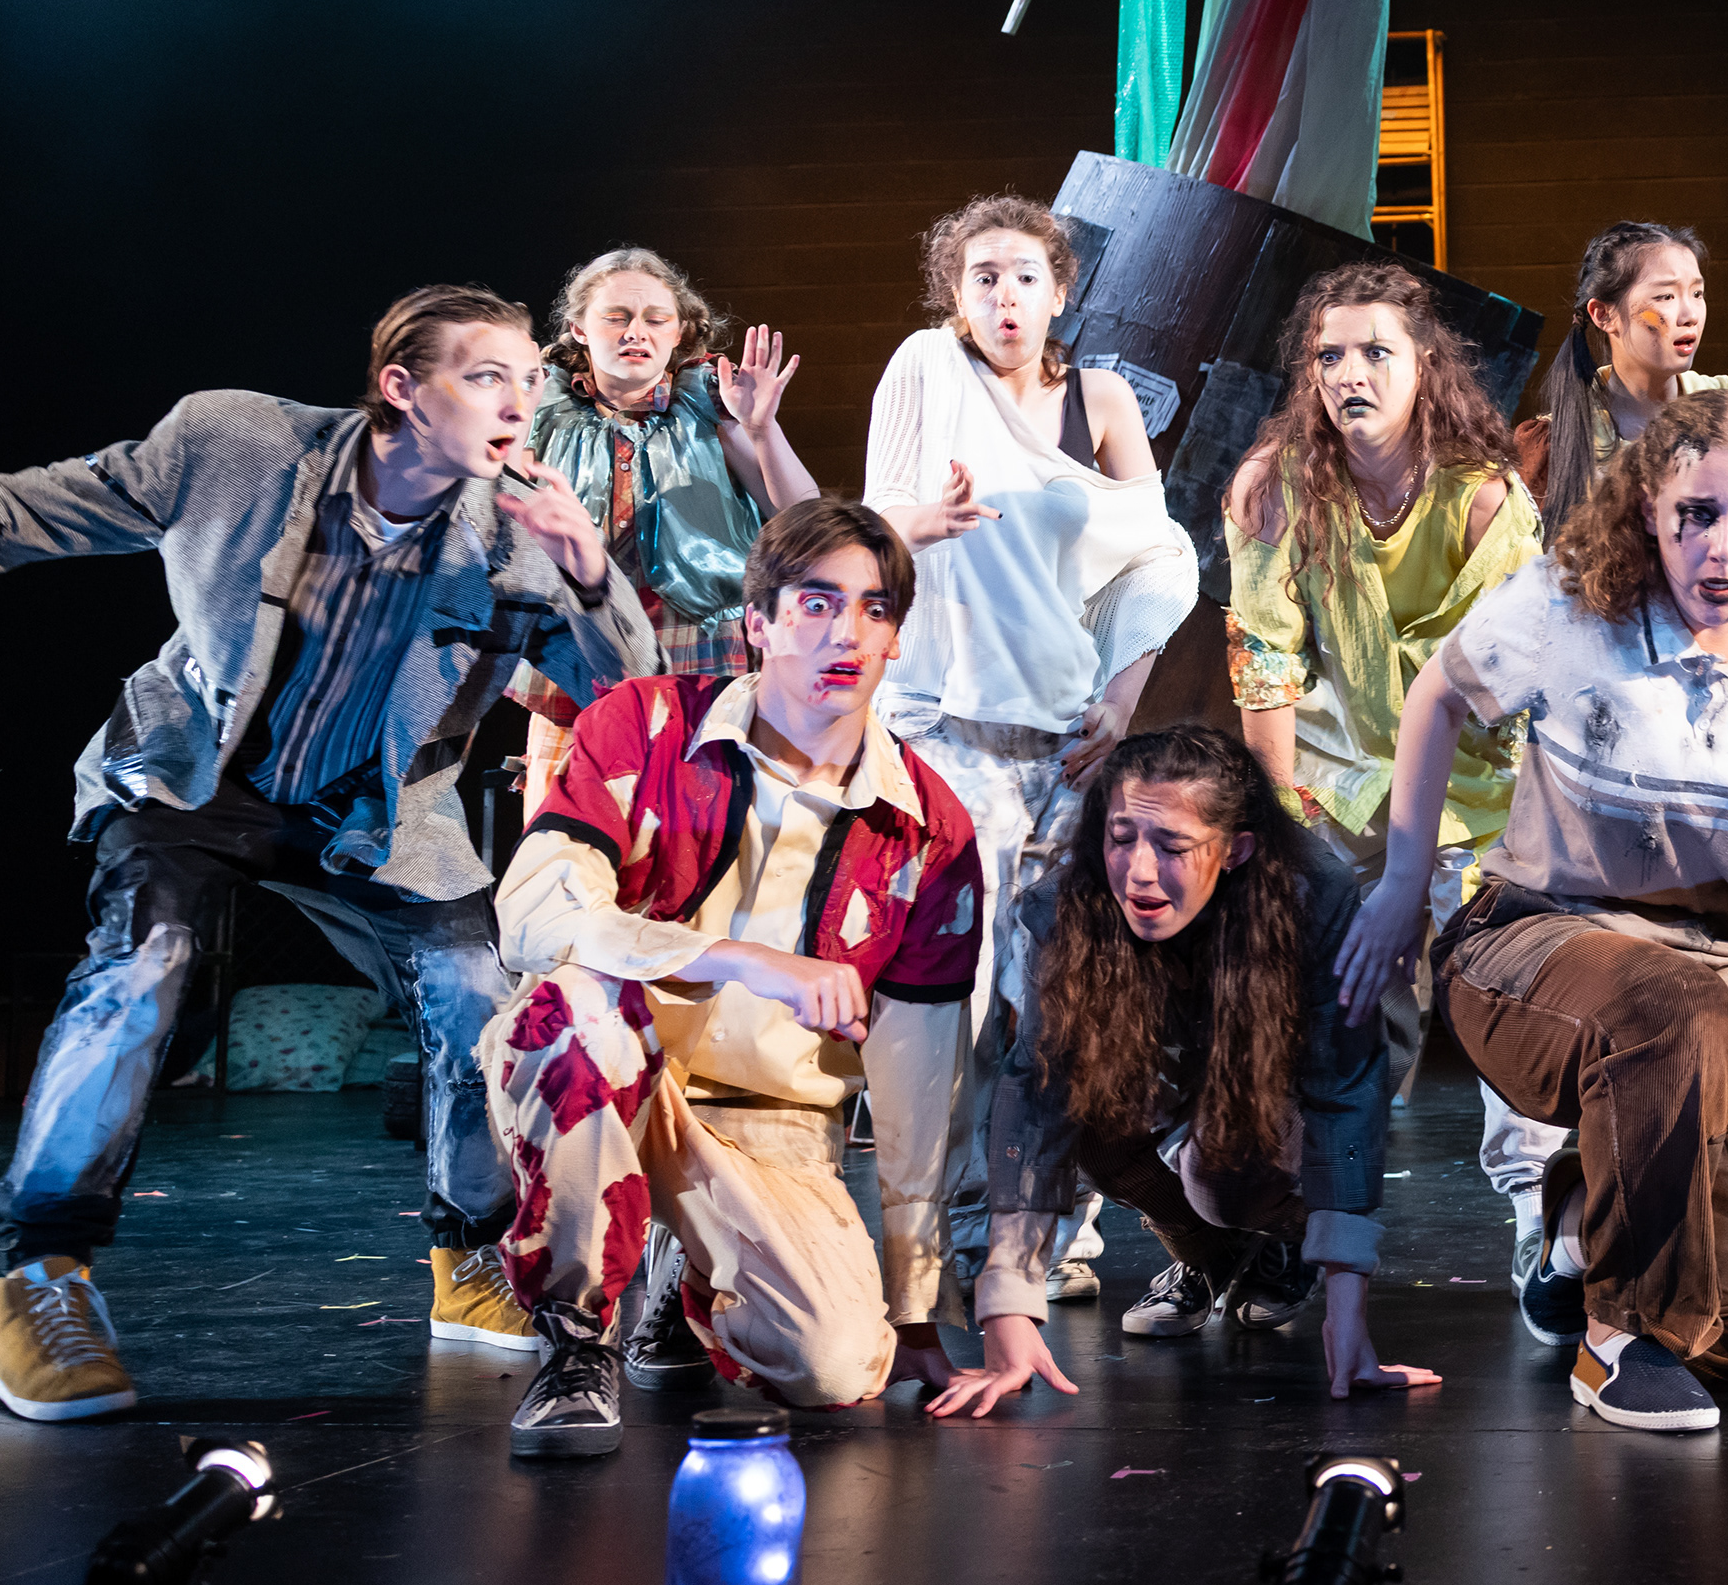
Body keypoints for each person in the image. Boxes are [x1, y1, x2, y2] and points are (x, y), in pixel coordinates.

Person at [0, 287, 656, 1422]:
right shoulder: (234, 443)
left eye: (528, 378)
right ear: (402, 388)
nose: (520, 402)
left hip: (379, 814)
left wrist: (587, 570)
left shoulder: (519, 537)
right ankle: (43, 1274)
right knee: (142, 966)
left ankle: (470, 1255)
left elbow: (629, 694)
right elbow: (24, 509)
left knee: (474, 990)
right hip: (194, 775)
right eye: (487, 376)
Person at [1347, 384, 1728, 1434]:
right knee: (1665, 1004)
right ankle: (1618, 1339)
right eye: (1697, 514)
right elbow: (1439, 694)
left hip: (1718, 996)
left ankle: (1577, 1213)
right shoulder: (1571, 603)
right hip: (1534, 944)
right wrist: (1403, 884)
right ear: (1650, 507)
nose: (1723, 548)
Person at [484, 499, 986, 1453]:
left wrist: (916, 1305)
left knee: (837, 1367)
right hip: (618, 1073)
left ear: (895, 638)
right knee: (572, 1011)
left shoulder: (930, 827)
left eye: (875, 609)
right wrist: (740, 960)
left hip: (777, 1124)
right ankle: (578, 1337)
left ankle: (691, 1274)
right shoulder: (643, 724)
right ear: (757, 622)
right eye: (816, 603)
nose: (847, 633)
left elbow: (924, 1084)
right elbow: (535, 915)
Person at [864, 194, 1198, 1333]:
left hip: (1062, 739)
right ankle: (959, 1225)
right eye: (981, 276)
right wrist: (922, 520)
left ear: (1061, 289)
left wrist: (1124, 692)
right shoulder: (925, 368)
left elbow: (1157, 556)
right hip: (943, 728)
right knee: (947, 999)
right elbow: (873, 522)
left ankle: (1053, 1228)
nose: (1003, 295)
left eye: (1022, 275)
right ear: (953, 294)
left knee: (1061, 996)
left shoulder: (1101, 399)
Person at [941, 724, 1435, 1416]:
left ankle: (1287, 1241)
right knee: (1090, 1115)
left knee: (1220, 1177)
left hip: (1305, 1072)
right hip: (1183, 1060)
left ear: (1236, 850)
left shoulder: (1308, 894)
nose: (1139, 870)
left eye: (1172, 847)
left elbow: (1343, 1092)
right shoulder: (1068, 904)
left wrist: (1346, 1320)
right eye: (1121, 838)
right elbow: (1039, 1092)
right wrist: (1009, 1304)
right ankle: (1212, 1256)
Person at [1222, 257, 1541, 1322]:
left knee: (1504, 994)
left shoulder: (1485, 500)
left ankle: (1549, 1231)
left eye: (1375, 352)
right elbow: (1265, 660)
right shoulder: (1276, 487)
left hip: (1474, 794)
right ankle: (1281, 1231)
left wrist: (1426, 870)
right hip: (1333, 784)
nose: (1349, 373)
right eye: (1330, 355)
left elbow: (1499, 689)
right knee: (1310, 998)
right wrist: (1280, 826)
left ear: (1424, 364)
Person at [512, 245, 820, 817]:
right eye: (616, 317)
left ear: (679, 333)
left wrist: (762, 429)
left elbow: (804, 518)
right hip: (577, 642)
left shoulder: (713, 406)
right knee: (566, 826)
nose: (636, 332)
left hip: (694, 641)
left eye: (656, 319)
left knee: (690, 826)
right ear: (579, 329)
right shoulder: (541, 409)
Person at [1515, 220, 1728, 540]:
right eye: (1666, 296)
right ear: (1603, 315)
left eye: (1697, 293)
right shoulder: (1555, 441)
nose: (1690, 315)